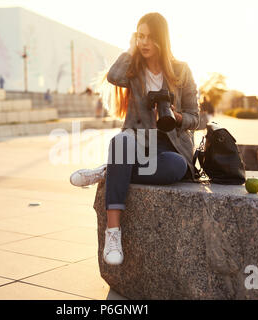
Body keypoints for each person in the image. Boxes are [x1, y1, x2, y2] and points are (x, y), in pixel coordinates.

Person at [69, 12, 199, 266]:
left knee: (177, 166)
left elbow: (197, 118)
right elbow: (113, 77)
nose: (144, 42)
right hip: (137, 142)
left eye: (150, 37)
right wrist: (130, 48)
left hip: (168, 147)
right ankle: (113, 234)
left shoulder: (182, 71)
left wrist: (177, 116)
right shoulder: (134, 69)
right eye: (140, 36)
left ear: (163, 40)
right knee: (121, 143)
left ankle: (109, 170)